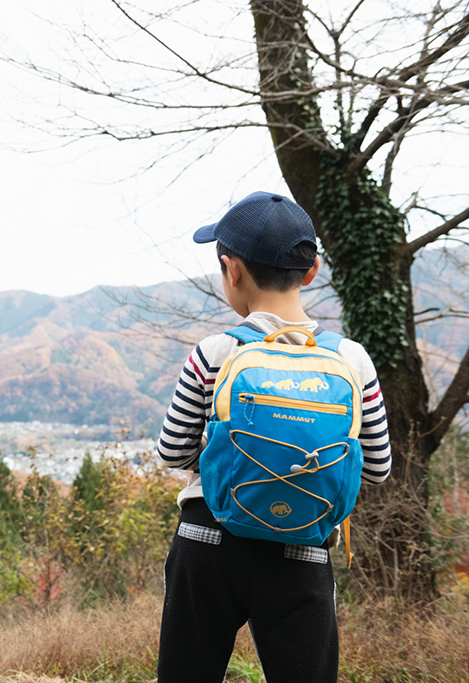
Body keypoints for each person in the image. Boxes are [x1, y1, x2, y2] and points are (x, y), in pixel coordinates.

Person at [155, 191, 392, 682]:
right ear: (310, 272)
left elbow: (173, 451)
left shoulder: (212, 352)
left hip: (207, 541)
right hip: (302, 544)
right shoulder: (352, 360)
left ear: (231, 271)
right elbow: (376, 467)